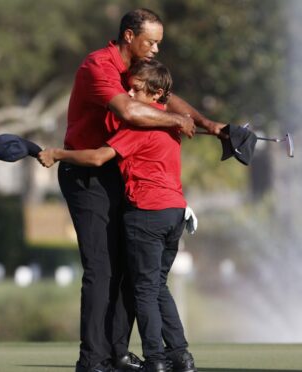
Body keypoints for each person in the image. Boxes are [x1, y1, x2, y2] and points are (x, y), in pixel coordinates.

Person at [58, 8, 223, 372]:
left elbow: (162, 97)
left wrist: (210, 125)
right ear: (129, 36)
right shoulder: (98, 66)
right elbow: (131, 111)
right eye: (151, 41)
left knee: (131, 269)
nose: (155, 49)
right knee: (101, 270)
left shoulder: (136, 73)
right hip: (87, 172)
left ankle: (116, 352)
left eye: (159, 43)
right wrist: (178, 122)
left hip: (116, 170)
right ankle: (92, 360)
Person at [40, 60, 197, 372]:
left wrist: (57, 154)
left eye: (136, 89)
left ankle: (155, 360)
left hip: (147, 215)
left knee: (144, 292)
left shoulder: (140, 127)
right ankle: (181, 356)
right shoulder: (171, 126)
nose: (128, 92)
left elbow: (99, 157)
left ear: (157, 94)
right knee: (158, 286)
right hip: (176, 212)